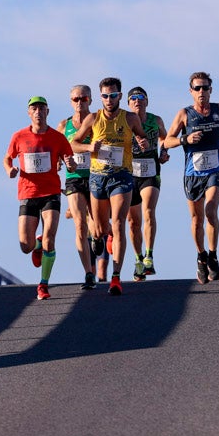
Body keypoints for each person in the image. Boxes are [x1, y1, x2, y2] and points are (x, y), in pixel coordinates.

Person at [69, 77, 149, 296]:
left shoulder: (130, 118)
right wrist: (88, 146)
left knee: (119, 223)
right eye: (105, 95)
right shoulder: (93, 119)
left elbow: (144, 139)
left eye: (113, 95)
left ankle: (115, 276)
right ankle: (96, 239)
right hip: (98, 178)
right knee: (100, 229)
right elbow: (73, 143)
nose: (109, 99)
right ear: (101, 97)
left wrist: (143, 142)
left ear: (120, 96)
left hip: (122, 177)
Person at [163, 72, 219, 284]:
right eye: (197, 88)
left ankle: (213, 255)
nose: (201, 92)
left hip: (216, 169)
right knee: (196, 219)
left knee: (210, 210)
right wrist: (184, 139)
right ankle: (201, 256)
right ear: (191, 91)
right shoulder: (184, 114)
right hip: (193, 173)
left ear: (210, 90)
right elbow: (166, 142)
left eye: (205, 88)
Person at [4, 96, 77, 300]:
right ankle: (37, 245)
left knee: (50, 239)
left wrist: (71, 165)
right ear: (29, 112)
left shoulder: (57, 137)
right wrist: (10, 169)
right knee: (25, 246)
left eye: (41, 108)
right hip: (28, 193)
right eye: (34, 108)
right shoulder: (19, 136)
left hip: (51, 193)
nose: (38, 112)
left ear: (47, 112)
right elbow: (7, 157)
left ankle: (43, 285)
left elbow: (70, 162)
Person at [58, 85, 98, 290]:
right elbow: (56, 148)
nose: (79, 102)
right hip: (74, 178)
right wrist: (59, 161)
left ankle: (99, 239)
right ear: (71, 101)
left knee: (98, 228)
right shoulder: (64, 125)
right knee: (80, 225)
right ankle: (89, 273)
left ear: (90, 100)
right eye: (75, 99)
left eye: (83, 98)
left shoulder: (98, 121)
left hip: (96, 177)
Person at [126, 87, 168, 281]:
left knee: (149, 211)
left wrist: (163, 152)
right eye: (133, 98)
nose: (137, 101)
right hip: (129, 173)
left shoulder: (155, 120)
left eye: (141, 98)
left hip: (150, 171)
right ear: (128, 103)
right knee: (133, 221)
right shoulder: (124, 121)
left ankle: (149, 256)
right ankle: (138, 259)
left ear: (147, 102)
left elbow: (165, 139)